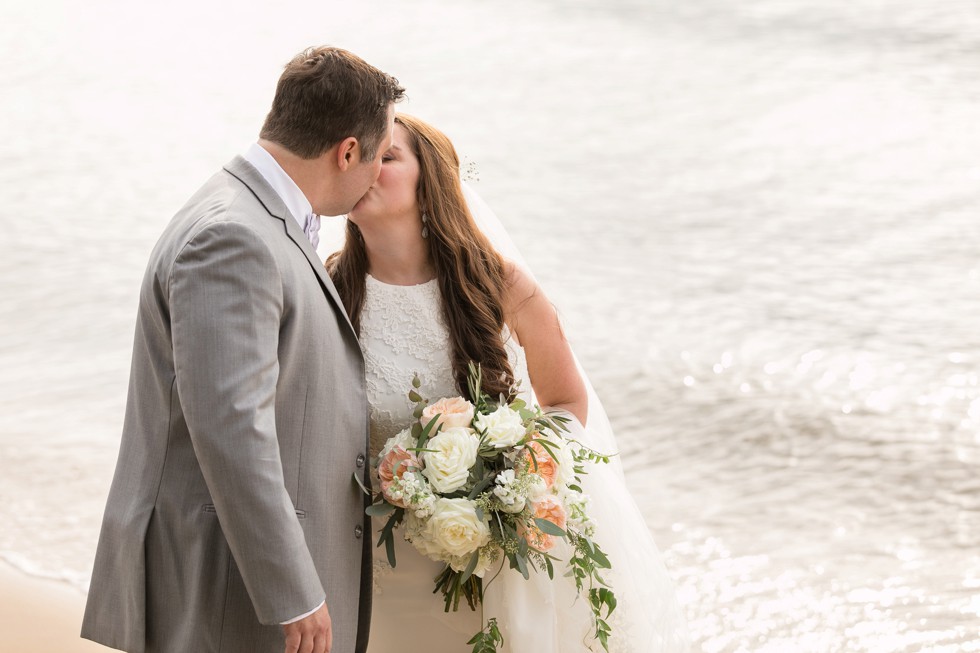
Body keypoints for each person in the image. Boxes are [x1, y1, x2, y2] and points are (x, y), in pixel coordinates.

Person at [325, 114, 691, 652]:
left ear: (431, 183)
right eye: (360, 156)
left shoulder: (497, 284)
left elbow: (566, 401)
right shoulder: (329, 288)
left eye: (388, 157)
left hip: (485, 570)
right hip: (369, 569)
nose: (366, 170)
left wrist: (509, 473)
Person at [81, 47, 404, 653]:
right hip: (226, 587)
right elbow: (231, 425)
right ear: (348, 151)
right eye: (380, 154)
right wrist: (294, 592)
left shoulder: (253, 212)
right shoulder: (234, 237)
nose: (378, 173)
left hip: (233, 577)